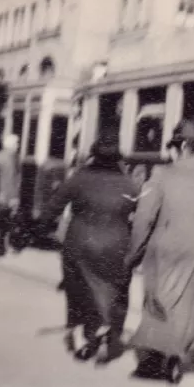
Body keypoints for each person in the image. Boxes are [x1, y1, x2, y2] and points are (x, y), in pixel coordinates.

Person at [125, 120, 194, 382]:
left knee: (159, 297)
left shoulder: (160, 176)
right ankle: (179, 352)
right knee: (190, 303)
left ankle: (162, 354)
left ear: (180, 147)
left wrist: (134, 252)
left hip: (168, 246)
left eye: (171, 147)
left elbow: (143, 218)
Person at [41, 133, 138, 364]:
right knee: (114, 289)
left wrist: (45, 225)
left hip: (80, 242)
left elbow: (53, 206)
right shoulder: (129, 183)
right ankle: (107, 327)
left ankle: (86, 338)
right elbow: (140, 213)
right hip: (117, 244)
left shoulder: (79, 178)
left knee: (77, 290)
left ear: (93, 155)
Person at [0, 133, 21, 255]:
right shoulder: (10, 158)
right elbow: (11, 179)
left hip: (0, 194)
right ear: (11, 145)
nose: (18, 145)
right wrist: (14, 197)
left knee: (3, 221)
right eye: (16, 143)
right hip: (7, 195)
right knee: (7, 221)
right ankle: (4, 246)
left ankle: (0, 245)